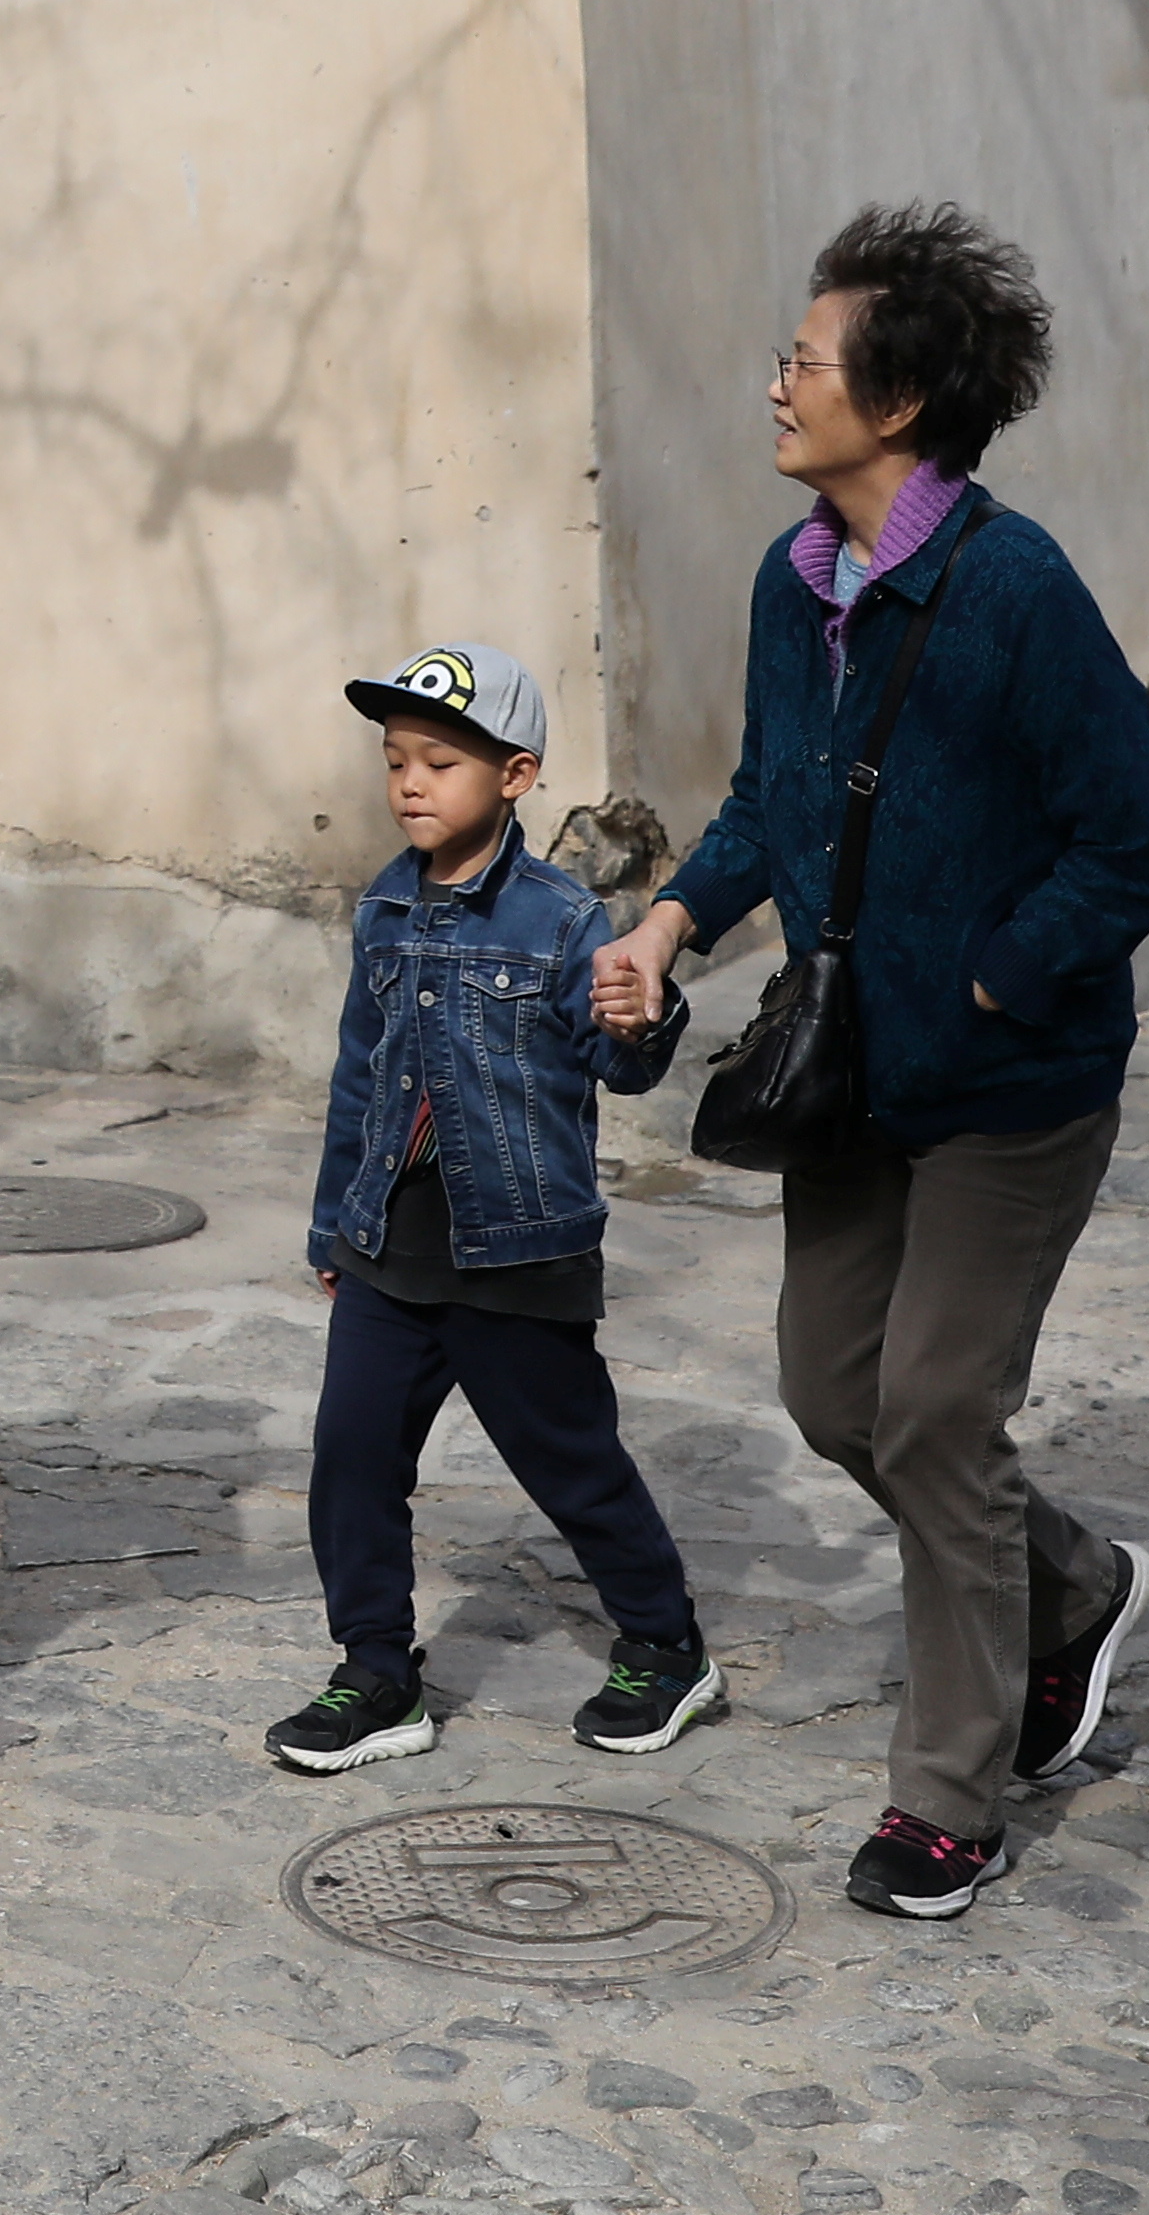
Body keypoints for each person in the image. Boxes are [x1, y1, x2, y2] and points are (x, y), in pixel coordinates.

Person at [598, 205, 1149, 1924]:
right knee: (830, 1396)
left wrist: (1001, 976)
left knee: (937, 1408)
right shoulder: (795, 586)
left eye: (806, 358)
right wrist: (668, 930)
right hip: (848, 1076)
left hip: (1016, 1086)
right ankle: (1069, 1582)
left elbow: (1129, 848)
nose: (777, 384)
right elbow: (772, 806)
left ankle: (952, 1790)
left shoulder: (1013, 591)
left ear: (904, 398)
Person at [270, 643, 715, 1780]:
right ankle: (376, 1670)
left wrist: (635, 1016)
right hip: (388, 1248)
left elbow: (623, 1072)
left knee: (571, 1460)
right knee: (351, 1458)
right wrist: (332, 1224)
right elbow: (358, 1076)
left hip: (518, 1246)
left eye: (441, 763)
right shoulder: (382, 904)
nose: (411, 783)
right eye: (397, 761)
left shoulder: (567, 922)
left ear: (515, 776)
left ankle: (665, 1645)